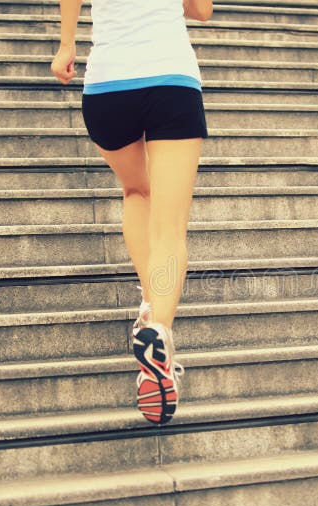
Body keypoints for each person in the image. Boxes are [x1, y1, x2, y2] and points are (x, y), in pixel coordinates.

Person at [51, 0, 213, 425]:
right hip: (170, 79)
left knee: (136, 192)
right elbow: (202, 10)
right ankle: (157, 329)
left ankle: (149, 307)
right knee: (170, 229)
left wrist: (67, 44)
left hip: (108, 84)